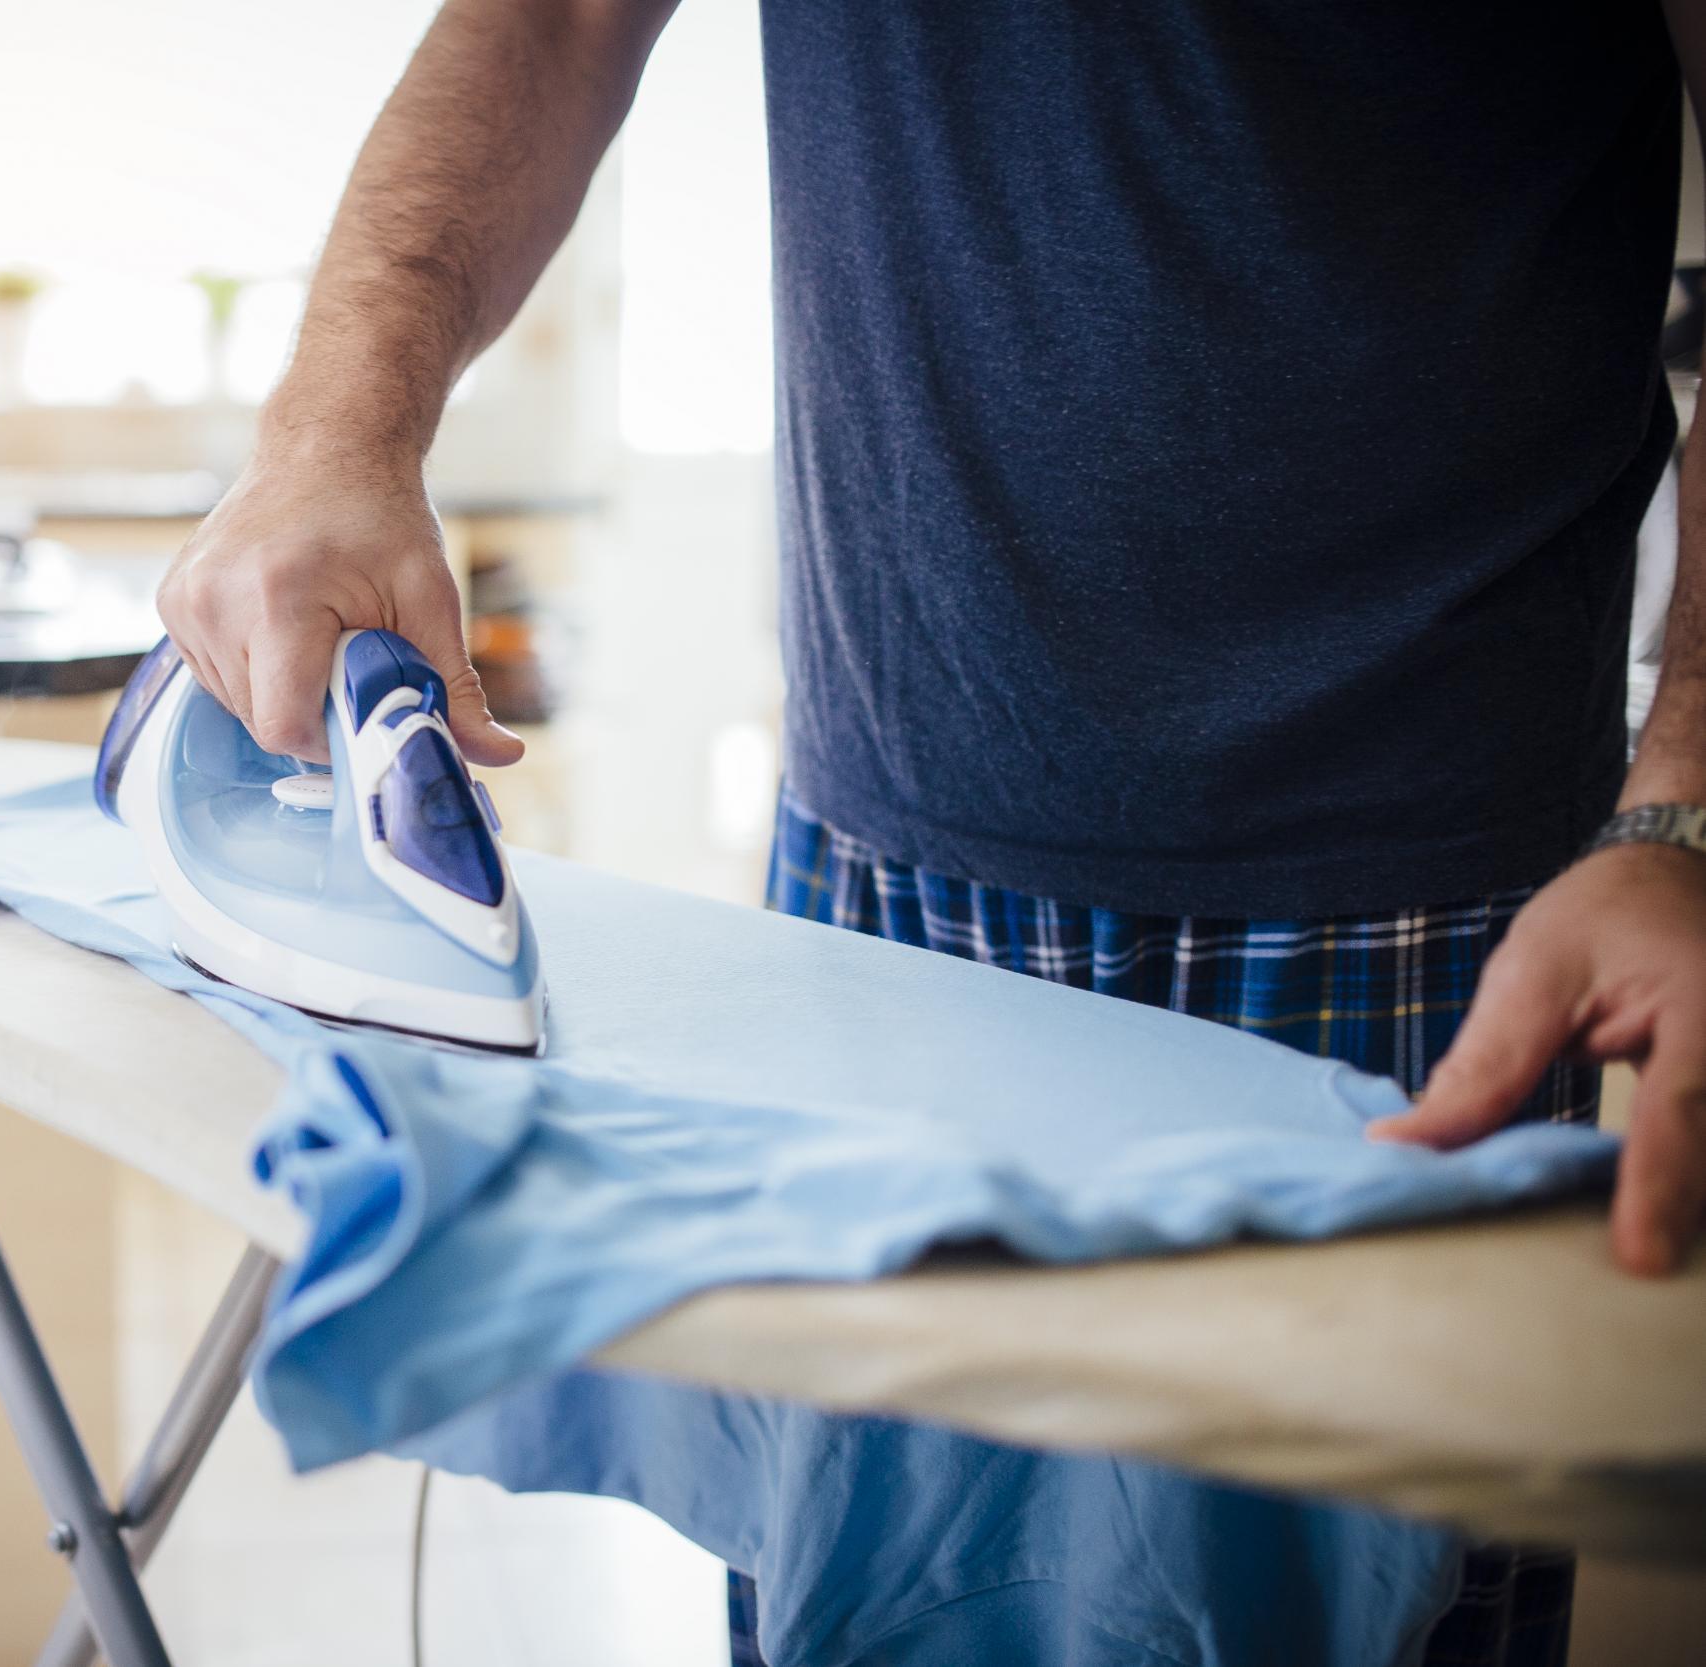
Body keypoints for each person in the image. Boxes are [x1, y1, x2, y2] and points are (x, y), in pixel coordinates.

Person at [155, 1, 1706, 1659]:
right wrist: (332, 435)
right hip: (874, 879)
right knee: (868, 1606)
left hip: (1432, 908)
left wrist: (1682, 812)